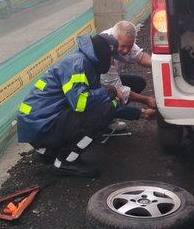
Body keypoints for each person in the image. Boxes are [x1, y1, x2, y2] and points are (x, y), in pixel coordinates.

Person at [17, 34, 143, 178]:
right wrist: (111, 91)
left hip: (36, 125)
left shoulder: (83, 61)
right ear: (103, 54)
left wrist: (138, 113)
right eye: (112, 57)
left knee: (106, 103)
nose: (113, 62)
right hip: (41, 127)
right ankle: (65, 161)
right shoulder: (79, 64)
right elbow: (80, 102)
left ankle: (48, 151)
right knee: (106, 108)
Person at [99, 21, 156, 124]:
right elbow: (119, 90)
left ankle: (113, 111)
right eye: (123, 46)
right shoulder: (104, 53)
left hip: (109, 82)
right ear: (113, 38)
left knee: (138, 82)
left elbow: (140, 56)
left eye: (129, 46)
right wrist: (145, 102)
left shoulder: (120, 37)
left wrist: (159, 64)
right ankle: (106, 120)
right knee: (112, 98)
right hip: (97, 87)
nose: (126, 51)